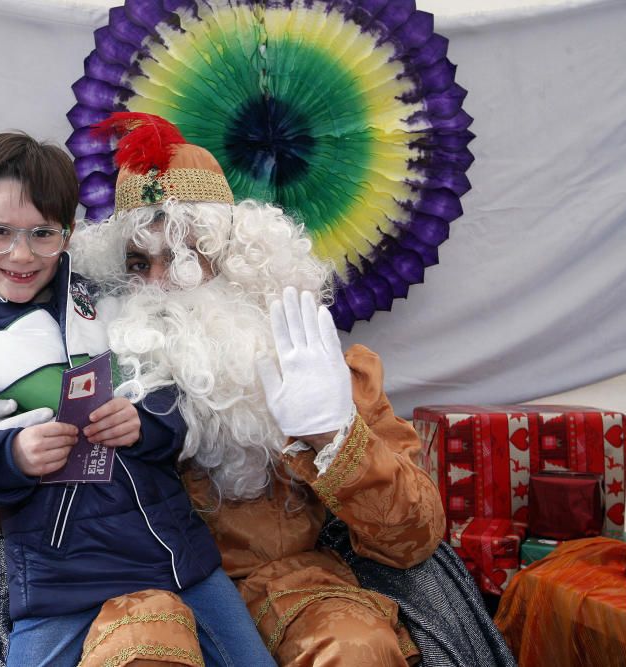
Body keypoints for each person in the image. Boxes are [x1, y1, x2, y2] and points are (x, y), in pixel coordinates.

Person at [61, 112, 514, 666]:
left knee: (356, 648)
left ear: (238, 265)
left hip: (285, 585)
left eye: (187, 255)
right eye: (139, 262)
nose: (161, 283)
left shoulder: (326, 371)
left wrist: (331, 434)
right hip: (136, 586)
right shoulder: (81, 370)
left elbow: (414, 539)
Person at [0, 131, 275, 667]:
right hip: (62, 578)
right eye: (0, 232)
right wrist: (10, 455)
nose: (21, 254)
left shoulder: (116, 303)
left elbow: (181, 399)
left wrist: (146, 422)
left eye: (42, 233)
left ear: (68, 232)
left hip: (176, 557)